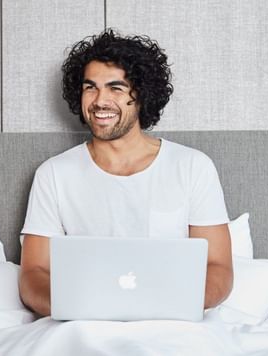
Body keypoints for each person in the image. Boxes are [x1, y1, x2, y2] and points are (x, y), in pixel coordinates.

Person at [18, 29, 232, 317]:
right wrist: (80, 307)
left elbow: (219, 267)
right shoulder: (54, 174)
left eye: (115, 88)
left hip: (171, 321)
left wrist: (163, 304)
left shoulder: (192, 166)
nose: (99, 101)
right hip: (83, 323)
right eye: (90, 87)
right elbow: (34, 273)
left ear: (141, 96)